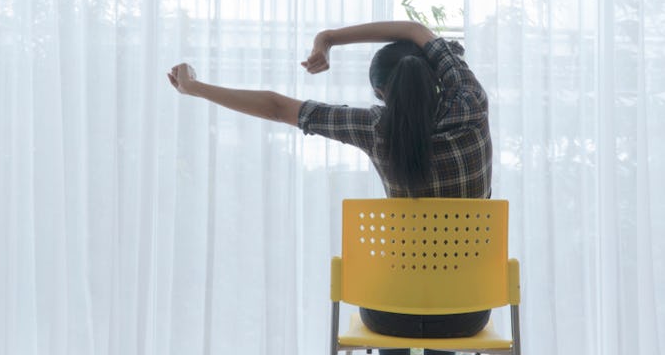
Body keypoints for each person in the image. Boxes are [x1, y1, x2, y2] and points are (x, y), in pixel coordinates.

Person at [167, 20, 492, 355]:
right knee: (447, 305)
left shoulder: (374, 128)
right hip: (466, 313)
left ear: (381, 94)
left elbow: (278, 108)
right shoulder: (471, 103)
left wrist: (194, 87)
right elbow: (416, 31)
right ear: (435, 77)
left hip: (391, 314)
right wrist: (329, 39)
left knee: (402, 300)